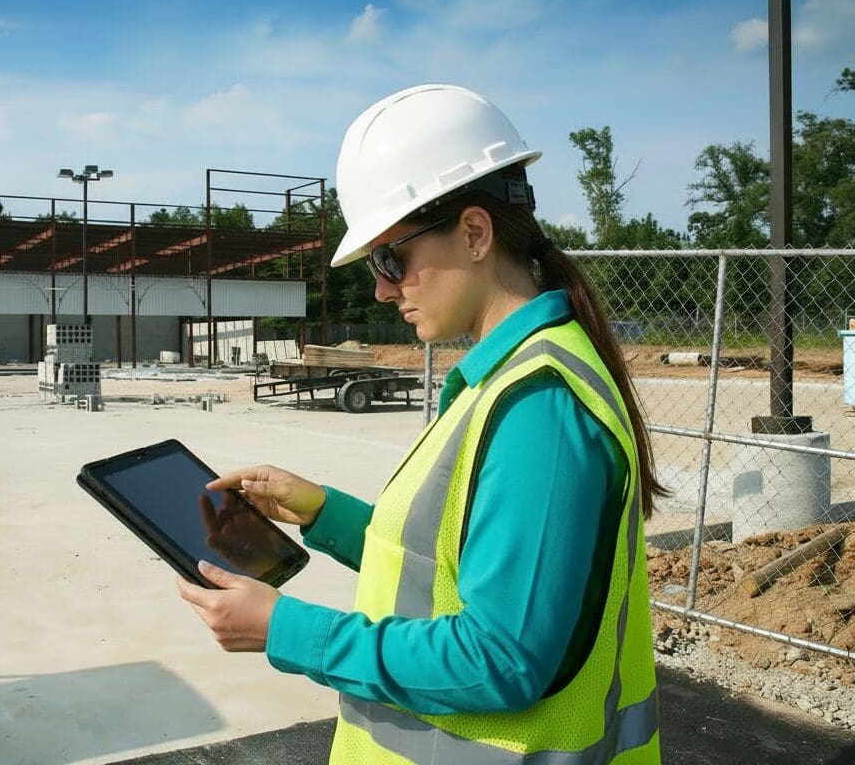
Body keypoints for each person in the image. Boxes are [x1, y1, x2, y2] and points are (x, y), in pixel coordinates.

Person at [176, 84, 663, 764]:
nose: (380, 287)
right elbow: (445, 561)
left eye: (389, 259)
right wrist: (320, 510)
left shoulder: (537, 407)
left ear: (473, 233)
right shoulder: (503, 380)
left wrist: (286, 630)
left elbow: (502, 658)